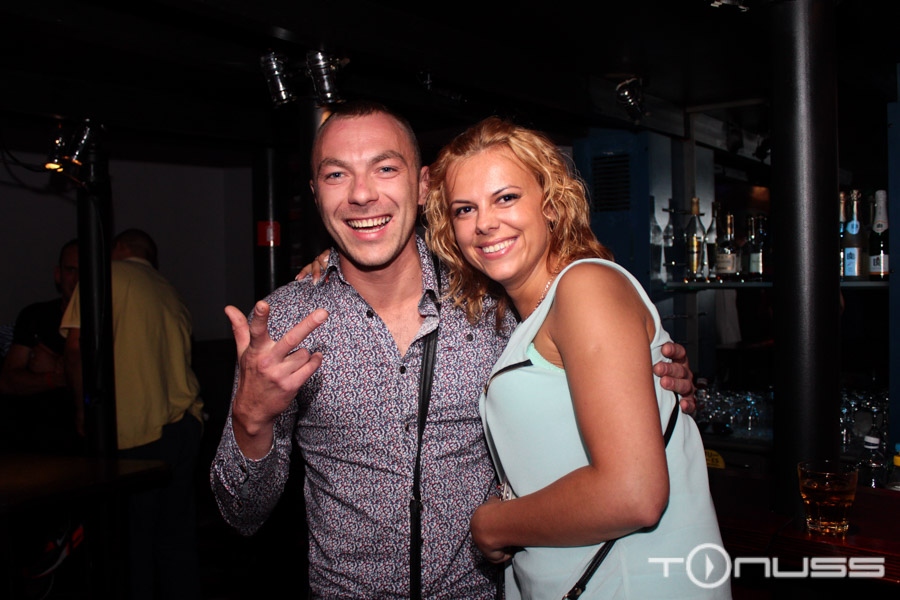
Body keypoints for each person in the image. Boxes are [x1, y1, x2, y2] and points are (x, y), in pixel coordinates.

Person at [210, 101, 698, 599]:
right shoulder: (284, 324)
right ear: (316, 193)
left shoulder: (490, 294)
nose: (361, 194)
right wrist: (250, 421)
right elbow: (241, 514)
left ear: (423, 186)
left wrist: (659, 374)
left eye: (385, 168)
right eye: (337, 175)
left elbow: (597, 376)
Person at [424, 116, 727, 599]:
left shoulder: (585, 287)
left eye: (506, 197)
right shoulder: (525, 315)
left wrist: (493, 524)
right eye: (465, 209)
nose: (484, 223)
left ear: (550, 202)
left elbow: (634, 494)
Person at [61, 228, 205, 600]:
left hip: (136, 431)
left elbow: (76, 350)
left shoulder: (104, 275)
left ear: (119, 248)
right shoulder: (169, 289)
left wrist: (82, 409)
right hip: (183, 425)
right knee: (174, 540)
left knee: (129, 546)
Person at [0, 237, 82, 455]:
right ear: (58, 274)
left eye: (85, 271)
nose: (78, 279)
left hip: (85, 442)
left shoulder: (111, 321)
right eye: (71, 270)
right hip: (35, 440)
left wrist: (65, 368)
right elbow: (7, 381)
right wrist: (56, 377)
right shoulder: (35, 316)